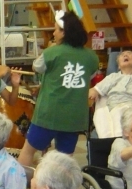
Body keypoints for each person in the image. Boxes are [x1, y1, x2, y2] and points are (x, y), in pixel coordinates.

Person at [18, 11, 97, 168]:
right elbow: (90, 75)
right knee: (65, 157)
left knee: (28, 150)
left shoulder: (52, 52)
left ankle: (18, 183)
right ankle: (60, 188)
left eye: (56, 29)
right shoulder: (91, 56)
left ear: (64, 32)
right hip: (74, 116)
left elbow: (37, 67)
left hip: (49, 113)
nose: (53, 33)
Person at [88, 50, 132, 138]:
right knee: (105, 113)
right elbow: (95, 90)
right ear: (118, 66)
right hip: (115, 106)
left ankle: (119, 141)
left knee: (124, 115)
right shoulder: (112, 77)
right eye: (122, 55)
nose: (125, 55)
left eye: (129, 53)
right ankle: (115, 141)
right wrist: (93, 93)